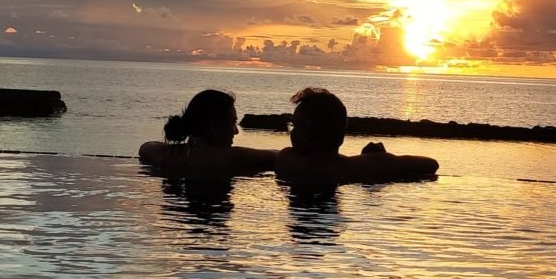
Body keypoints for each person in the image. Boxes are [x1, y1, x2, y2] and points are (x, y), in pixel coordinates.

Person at [274, 86, 438, 189]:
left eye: (295, 126)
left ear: (307, 135)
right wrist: (377, 158)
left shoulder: (287, 160)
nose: (292, 132)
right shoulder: (361, 166)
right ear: (340, 135)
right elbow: (430, 164)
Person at [139, 89, 276, 177]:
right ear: (213, 125)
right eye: (232, 122)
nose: (236, 131)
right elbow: (280, 155)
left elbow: (145, 147)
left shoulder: (167, 154)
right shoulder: (233, 157)